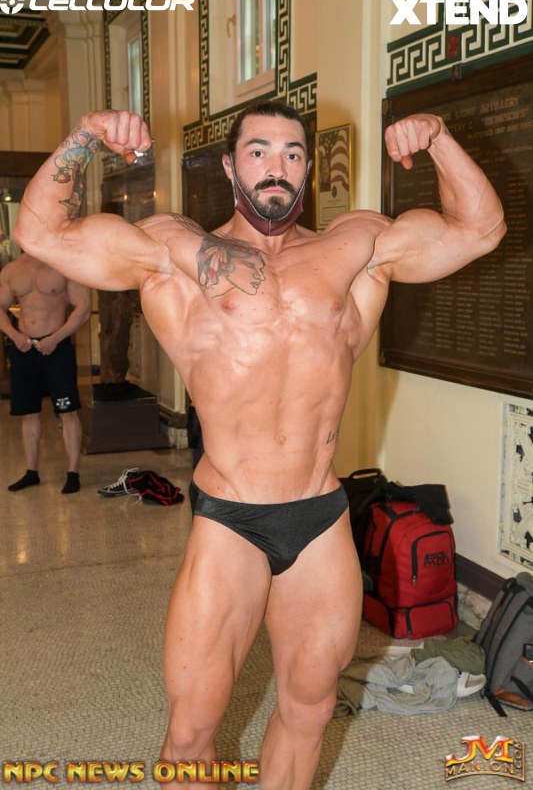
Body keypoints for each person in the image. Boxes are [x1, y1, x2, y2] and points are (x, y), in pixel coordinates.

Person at [13, 101, 506, 788]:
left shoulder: (357, 246)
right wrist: (88, 135)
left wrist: (441, 138)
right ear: (229, 165)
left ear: (308, 168)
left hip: (319, 516)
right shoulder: (172, 251)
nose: (278, 166)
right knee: (190, 734)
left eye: (293, 153)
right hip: (230, 519)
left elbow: (480, 229)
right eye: (259, 151)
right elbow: (38, 230)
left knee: (308, 711)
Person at [0, 252, 91, 494]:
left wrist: (56, 338)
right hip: (23, 348)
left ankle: (73, 473)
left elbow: (83, 308)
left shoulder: (64, 264)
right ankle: (31, 472)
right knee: (28, 413)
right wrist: (14, 335)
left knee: (67, 411)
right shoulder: (12, 270)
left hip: (57, 347)